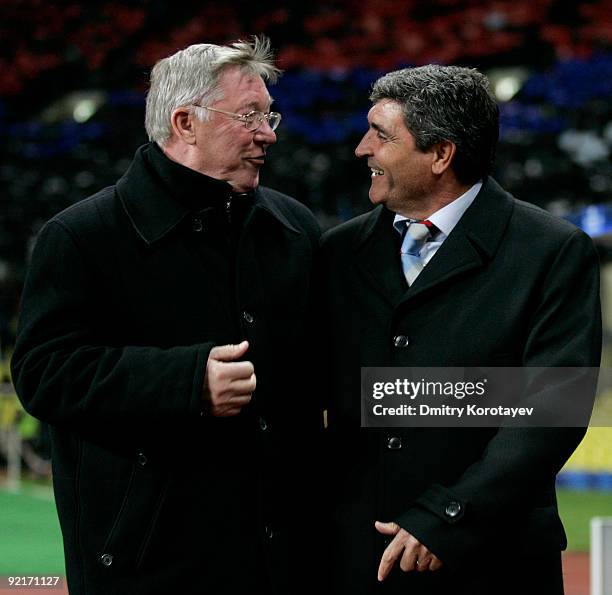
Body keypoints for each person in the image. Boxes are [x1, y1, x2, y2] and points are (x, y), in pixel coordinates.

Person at [11, 36, 323, 595]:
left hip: (286, 559)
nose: (269, 133)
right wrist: (185, 381)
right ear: (185, 122)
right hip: (151, 568)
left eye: (269, 114)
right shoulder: (83, 236)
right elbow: (43, 373)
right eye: (250, 115)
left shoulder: (293, 227)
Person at [318, 65, 601, 595]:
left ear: (441, 155)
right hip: (360, 559)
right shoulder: (338, 252)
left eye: (380, 135)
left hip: (495, 560)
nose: (361, 149)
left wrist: (449, 516)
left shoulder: (550, 250)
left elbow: (552, 410)